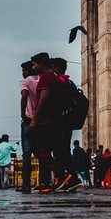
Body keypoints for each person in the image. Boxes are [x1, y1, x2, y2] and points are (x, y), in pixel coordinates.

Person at [28, 52, 74, 191]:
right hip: (54, 120)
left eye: (35, 64)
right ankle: (62, 177)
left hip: (45, 121)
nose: (33, 67)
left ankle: (62, 174)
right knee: (55, 151)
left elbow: (43, 98)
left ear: (41, 63)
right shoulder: (54, 78)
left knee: (38, 149)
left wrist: (35, 119)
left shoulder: (45, 78)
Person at [19, 60, 38, 193]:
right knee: (43, 152)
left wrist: (23, 114)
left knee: (27, 153)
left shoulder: (26, 82)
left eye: (23, 70)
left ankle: (26, 184)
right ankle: (45, 181)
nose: (22, 73)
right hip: (42, 120)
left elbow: (24, 96)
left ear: (27, 71)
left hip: (28, 120)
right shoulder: (42, 80)